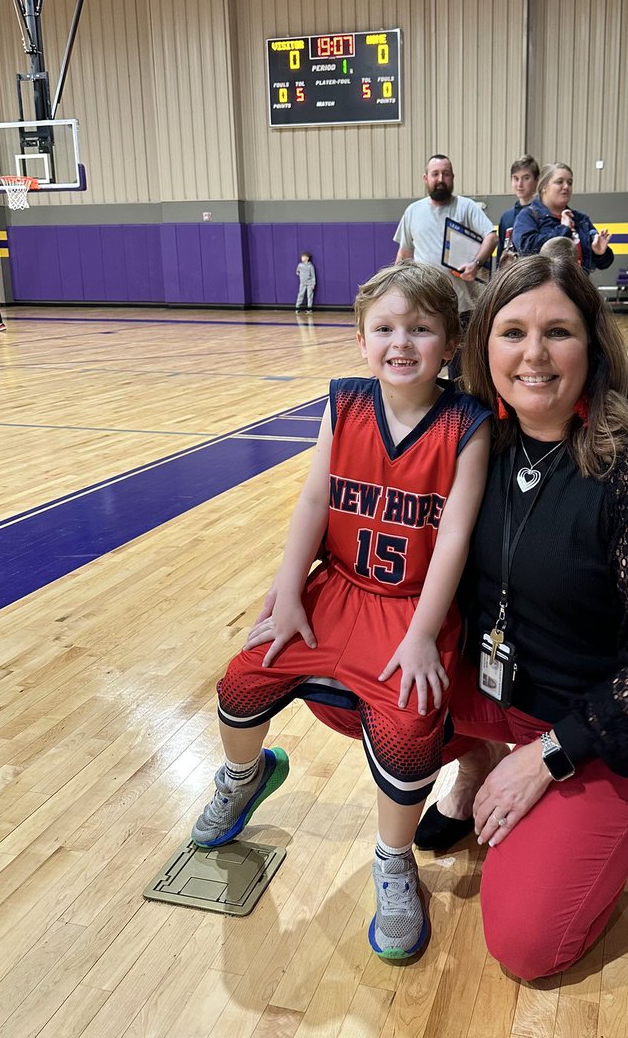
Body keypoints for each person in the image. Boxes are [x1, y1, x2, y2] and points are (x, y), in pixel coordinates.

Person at [305, 255, 628, 981]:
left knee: (526, 944)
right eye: (512, 331)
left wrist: (549, 756)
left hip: (604, 720)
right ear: (481, 345)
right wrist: (289, 600)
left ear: (592, 343)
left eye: (557, 331)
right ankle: (476, 762)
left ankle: (602, 807)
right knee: (359, 684)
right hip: (498, 692)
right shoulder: (474, 438)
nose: (533, 354)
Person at [191, 262, 491, 961]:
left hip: (411, 608)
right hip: (337, 590)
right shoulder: (345, 404)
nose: (401, 342)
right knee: (240, 683)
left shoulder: (467, 424)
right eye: (384, 328)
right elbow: (313, 501)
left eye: (421, 328)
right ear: (360, 340)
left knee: (411, 731)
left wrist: (423, 635)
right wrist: (289, 588)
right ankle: (245, 775)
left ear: (449, 342)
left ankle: (393, 859)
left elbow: (453, 538)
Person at [394, 154, 497, 379]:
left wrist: (476, 264)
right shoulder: (413, 211)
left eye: (446, 174)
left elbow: (491, 236)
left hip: (462, 306)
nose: (441, 178)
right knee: (425, 366)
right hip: (425, 305)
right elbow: (404, 255)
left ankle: (459, 410)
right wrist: (394, 291)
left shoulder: (466, 207)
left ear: (453, 177)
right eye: (435, 174)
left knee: (460, 371)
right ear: (425, 178)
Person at [512, 163, 614, 274]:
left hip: (576, 286)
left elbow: (604, 263)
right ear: (544, 187)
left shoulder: (580, 220)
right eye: (559, 182)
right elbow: (526, 249)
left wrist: (599, 253)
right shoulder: (528, 216)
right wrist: (563, 229)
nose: (566, 187)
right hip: (542, 287)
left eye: (569, 183)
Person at [496, 155, 540, 266]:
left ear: (536, 180)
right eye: (515, 178)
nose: (520, 184)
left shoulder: (543, 214)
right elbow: (500, 255)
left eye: (526, 178)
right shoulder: (506, 217)